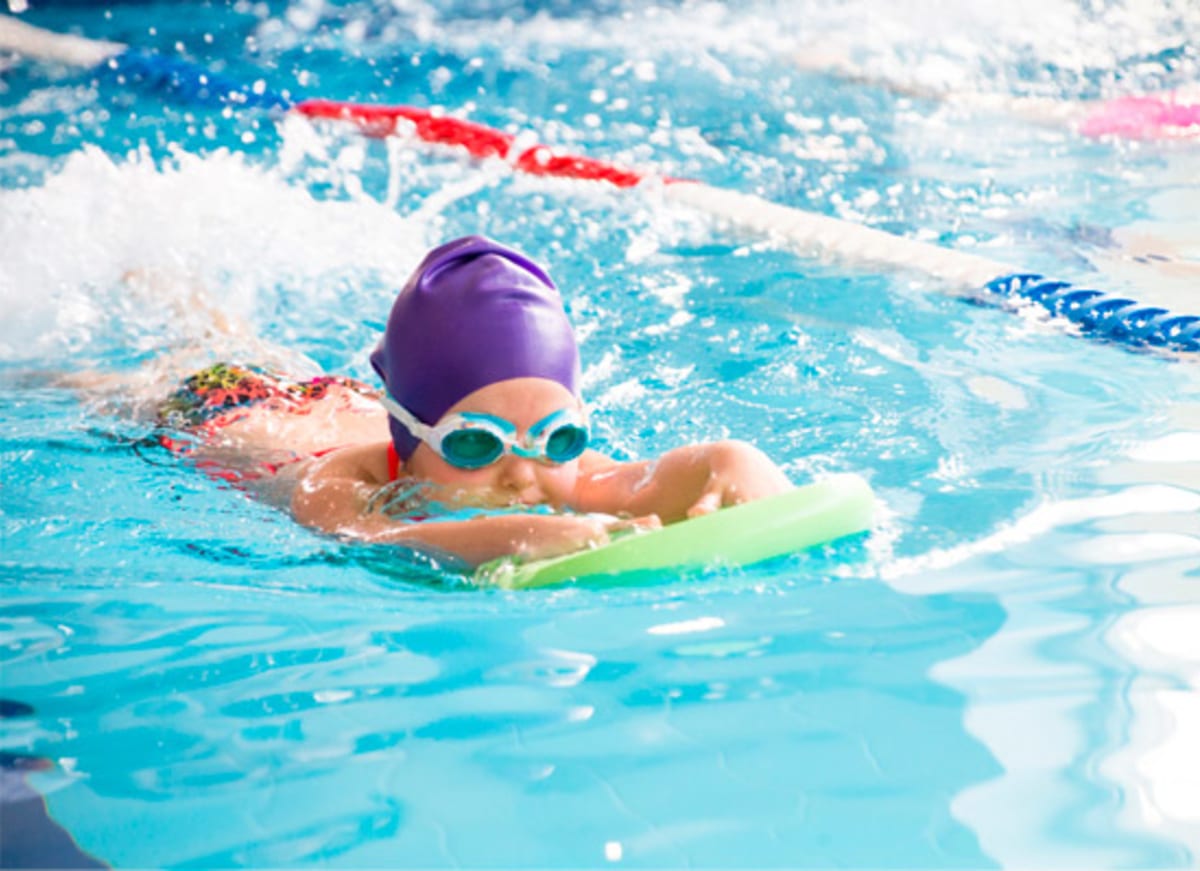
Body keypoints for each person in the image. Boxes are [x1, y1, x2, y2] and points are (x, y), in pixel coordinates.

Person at [144, 235, 793, 567]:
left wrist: (731, 462)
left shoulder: (549, 472)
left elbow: (643, 479)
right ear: (412, 439)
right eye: (476, 443)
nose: (523, 474)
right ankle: (158, 294)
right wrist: (510, 535)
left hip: (338, 398)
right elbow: (372, 537)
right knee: (171, 361)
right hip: (220, 409)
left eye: (559, 437)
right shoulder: (338, 481)